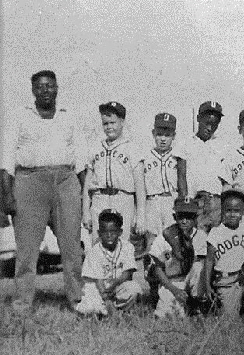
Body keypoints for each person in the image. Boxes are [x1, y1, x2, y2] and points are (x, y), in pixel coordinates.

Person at [3, 70, 85, 312]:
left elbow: (80, 158)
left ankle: (78, 299)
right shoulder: (19, 117)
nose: (45, 91)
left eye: (50, 86)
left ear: (57, 88)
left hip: (65, 180)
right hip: (29, 181)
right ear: (33, 91)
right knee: (27, 251)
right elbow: (6, 159)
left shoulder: (69, 117)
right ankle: (22, 303)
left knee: (71, 246)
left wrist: (82, 193)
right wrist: (7, 195)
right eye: (40, 87)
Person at [83, 101, 146, 244]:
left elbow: (140, 186)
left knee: (123, 245)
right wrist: (85, 212)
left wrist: (140, 215)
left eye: (113, 122)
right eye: (105, 124)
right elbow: (87, 185)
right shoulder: (95, 147)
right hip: (99, 198)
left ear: (122, 122)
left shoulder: (132, 148)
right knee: (97, 244)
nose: (109, 127)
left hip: (123, 198)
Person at [203, 188, 244, 320]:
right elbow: (209, 261)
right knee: (230, 320)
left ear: (243, 212)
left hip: (243, 277)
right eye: (228, 210)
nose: (232, 214)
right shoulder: (216, 232)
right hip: (225, 281)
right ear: (222, 211)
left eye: (236, 211)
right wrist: (207, 286)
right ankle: (235, 309)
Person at [147, 197, 208, 318]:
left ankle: (197, 305)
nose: (184, 221)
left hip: (192, 281)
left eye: (189, 217)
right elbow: (158, 268)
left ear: (195, 218)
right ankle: (184, 306)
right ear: (175, 217)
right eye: (181, 216)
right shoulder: (164, 237)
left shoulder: (201, 236)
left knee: (198, 266)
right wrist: (174, 290)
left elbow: (203, 267)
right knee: (165, 316)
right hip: (172, 281)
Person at [75, 209, 142, 316]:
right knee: (89, 306)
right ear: (98, 233)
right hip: (99, 288)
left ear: (120, 232)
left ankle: (120, 310)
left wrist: (114, 284)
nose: (109, 235)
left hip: (117, 285)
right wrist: (107, 300)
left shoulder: (127, 247)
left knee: (134, 288)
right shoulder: (94, 251)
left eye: (113, 231)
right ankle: (106, 309)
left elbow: (127, 273)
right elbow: (98, 281)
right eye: (105, 231)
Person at [184, 101, 233, 232]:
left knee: (215, 242)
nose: (210, 128)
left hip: (216, 202)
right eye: (207, 123)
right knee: (197, 242)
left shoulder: (222, 146)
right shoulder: (187, 143)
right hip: (196, 202)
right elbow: (181, 176)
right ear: (198, 118)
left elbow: (226, 182)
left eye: (214, 125)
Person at [143, 113, 187, 237]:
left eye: (167, 135)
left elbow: (183, 183)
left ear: (174, 136)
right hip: (152, 201)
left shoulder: (179, 157)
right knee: (152, 241)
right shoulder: (145, 157)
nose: (163, 139)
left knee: (173, 240)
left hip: (171, 201)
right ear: (153, 133)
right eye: (159, 134)